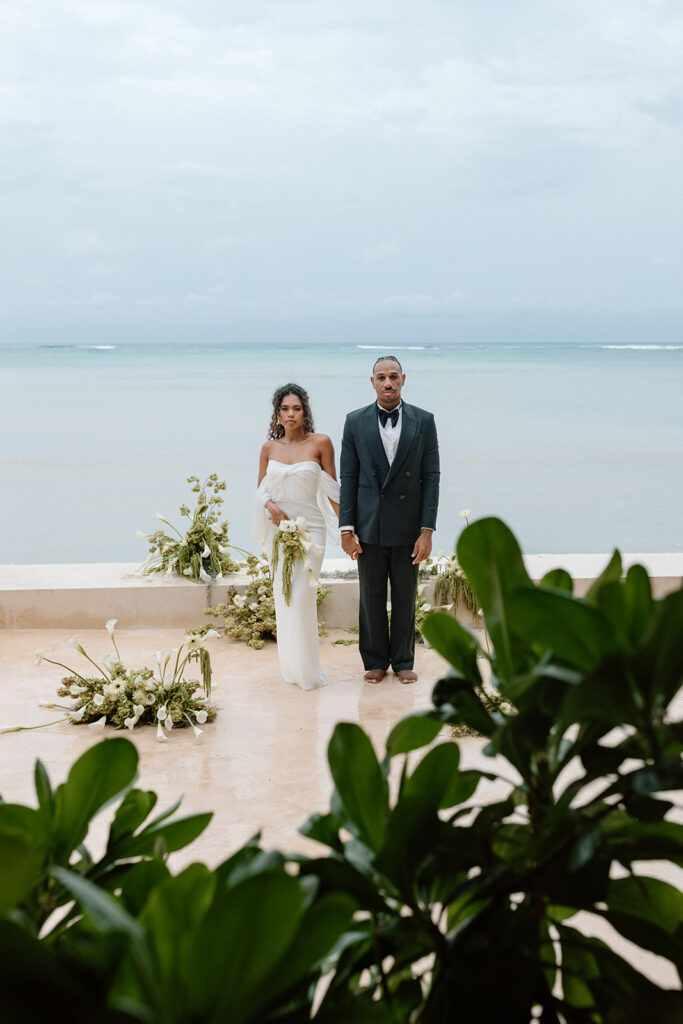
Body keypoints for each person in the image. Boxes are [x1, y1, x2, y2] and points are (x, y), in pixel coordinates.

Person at [339, 356, 439, 684]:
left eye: (393, 376)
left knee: (405, 595)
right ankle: (375, 661)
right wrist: (346, 529)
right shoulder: (354, 422)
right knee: (371, 597)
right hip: (368, 526)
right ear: (372, 382)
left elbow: (431, 477)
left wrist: (427, 530)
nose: (387, 383)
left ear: (403, 379)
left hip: (409, 527)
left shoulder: (424, 421)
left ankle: (404, 660)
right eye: (381, 377)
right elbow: (349, 478)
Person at [253, 383, 340, 690]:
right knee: (284, 597)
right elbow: (260, 489)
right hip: (278, 531)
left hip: (311, 530)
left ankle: (308, 671)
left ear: (305, 412)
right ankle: (291, 667)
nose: (291, 414)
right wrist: (271, 507)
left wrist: (348, 531)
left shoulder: (321, 443)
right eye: (285, 409)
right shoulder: (269, 448)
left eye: (297, 408)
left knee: (303, 595)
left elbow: (332, 491)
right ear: (277, 415)